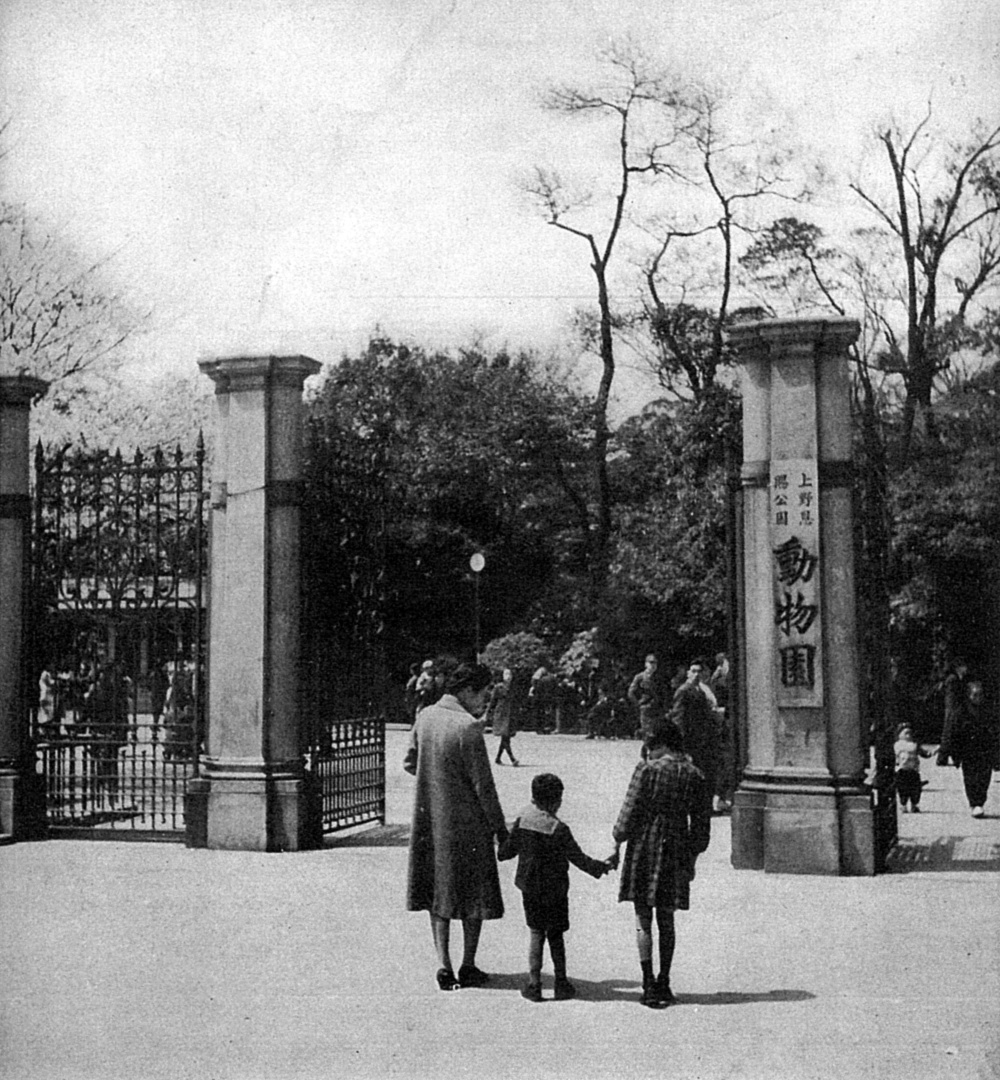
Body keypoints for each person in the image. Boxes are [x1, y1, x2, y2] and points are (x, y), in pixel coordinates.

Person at [404, 661, 508, 991]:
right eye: (483, 695)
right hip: (468, 825)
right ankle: (468, 964)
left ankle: (443, 966)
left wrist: (435, 782)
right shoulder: (468, 727)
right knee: (472, 893)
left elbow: (409, 762)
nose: (485, 702)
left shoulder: (425, 717)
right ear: (466, 692)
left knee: (438, 891)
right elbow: (484, 787)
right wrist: (500, 829)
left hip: (431, 820)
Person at [610, 722, 711, 1008]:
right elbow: (702, 827)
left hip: (645, 844)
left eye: (652, 746)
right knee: (667, 919)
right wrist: (691, 856)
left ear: (663, 745)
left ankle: (647, 983)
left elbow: (629, 812)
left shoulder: (647, 770)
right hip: (677, 847)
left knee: (643, 917)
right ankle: (665, 980)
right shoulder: (696, 775)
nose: (650, 752)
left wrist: (618, 838)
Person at [498, 772, 613, 1002]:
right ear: (556, 801)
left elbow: (505, 853)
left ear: (533, 797)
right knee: (556, 935)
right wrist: (602, 866)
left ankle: (534, 984)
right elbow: (579, 859)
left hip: (530, 888)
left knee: (536, 933)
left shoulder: (523, 821)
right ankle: (561, 983)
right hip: (556, 890)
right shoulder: (559, 829)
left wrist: (501, 837)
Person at [937, 680, 999, 818]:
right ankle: (974, 803)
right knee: (970, 778)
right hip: (968, 750)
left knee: (984, 778)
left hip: (985, 749)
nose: (978, 698)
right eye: (974, 695)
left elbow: (996, 731)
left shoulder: (989, 711)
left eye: (980, 695)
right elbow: (953, 732)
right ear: (969, 695)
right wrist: (951, 752)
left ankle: (980, 802)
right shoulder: (961, 711)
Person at [671, 658, 722, 815]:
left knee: (704, 773)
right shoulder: (684, 691)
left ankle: (702, 806)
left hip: (703, 740)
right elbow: (678, 718)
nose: (696, 675)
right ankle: (692, 806)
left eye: (699, 671)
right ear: (688, 673)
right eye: (693, 671)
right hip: (691, 741)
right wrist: (681, 743)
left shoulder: (700, 690)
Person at [893, 723, 931, 813]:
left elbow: (924, 753)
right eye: (905, 733)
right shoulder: (897, 745)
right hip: (901, 770)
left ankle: (914, 804)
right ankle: (903, 804)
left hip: (913, 770)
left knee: (915, 789)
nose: (908, 735)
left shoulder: (914, 745)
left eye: (910, 733)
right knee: (902, 789)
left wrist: (931, 753)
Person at [628, 654, 666, 742]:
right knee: (648, 733)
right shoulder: (640, 677)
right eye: (651, 663)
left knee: (658, 733)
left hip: (657, 708)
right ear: (646, 664)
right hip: (645, 708)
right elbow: (631, 692)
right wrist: (638, 704)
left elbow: (664, 693)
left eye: (655, 663)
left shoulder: (659, 678)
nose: (653, 665)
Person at [487, 668, 518, 766]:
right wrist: (488, 713)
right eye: (506, 674)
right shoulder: (498, 687)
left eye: (510, 674)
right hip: (501, 714)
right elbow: (493, 701)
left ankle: (498, 758)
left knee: (506, 737)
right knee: (505, 737)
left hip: (510, 714)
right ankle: (512, 759)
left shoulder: (513, 687)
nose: (508, 676)